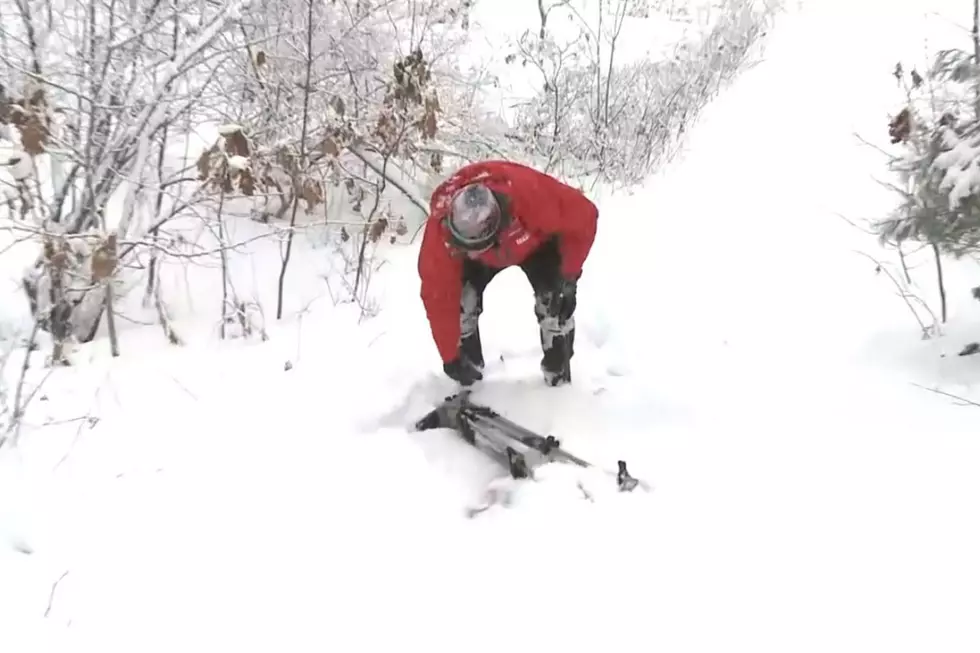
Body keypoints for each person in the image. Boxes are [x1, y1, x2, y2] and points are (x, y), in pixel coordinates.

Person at [417, 160, 599, 388]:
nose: (469, 255)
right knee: (461, 304)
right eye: (466, 250)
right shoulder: (442, 234)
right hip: (490, 252)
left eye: (474, 249)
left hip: (536, 243)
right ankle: (470, 378)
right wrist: (449, 357)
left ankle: (558, 377)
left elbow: (585, 216)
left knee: (555, 305)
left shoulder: (531, 196)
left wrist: (570, 277)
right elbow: (438, 296)